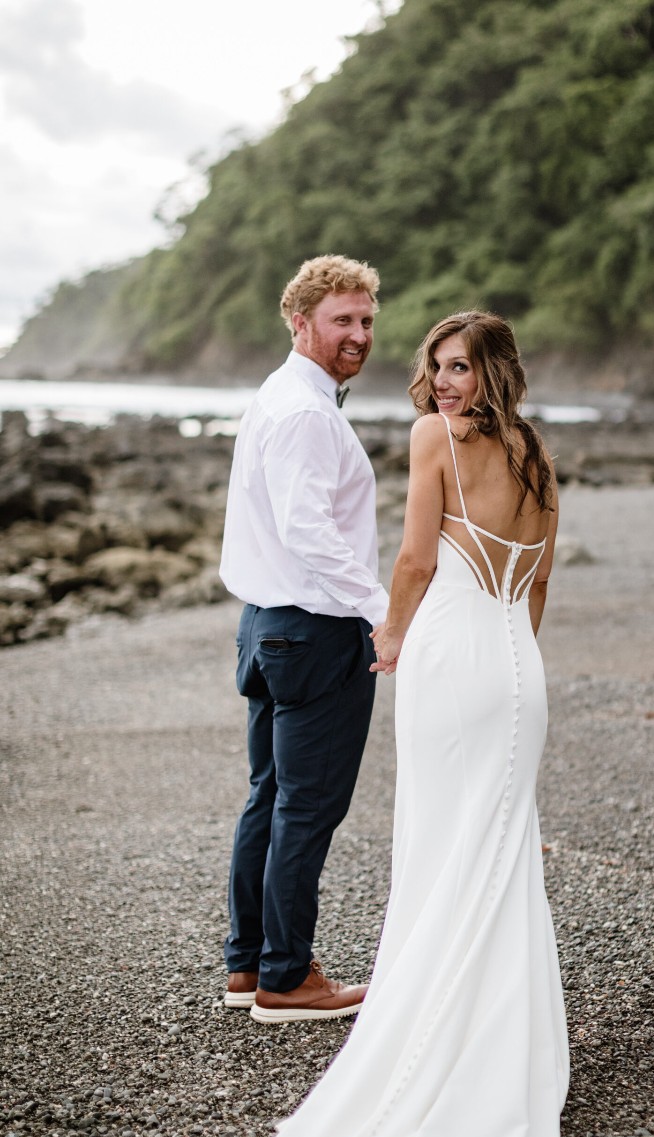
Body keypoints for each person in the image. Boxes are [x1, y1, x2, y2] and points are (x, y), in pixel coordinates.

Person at [219, 310, 569, 1137]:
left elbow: (414, 559)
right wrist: (512, 660)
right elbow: (538, 585)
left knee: (443, 837)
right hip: (517, 663)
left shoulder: (432, 439)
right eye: (438, 367)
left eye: (462, 367)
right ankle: (504, 1032)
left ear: (494, 372)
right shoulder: (536, 452)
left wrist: (388, 636)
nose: (445, 382)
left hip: (450, 658)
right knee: (497, 844)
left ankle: (437, 1028)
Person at [219, 254, 389, 1023]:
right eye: (342, 321)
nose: (358, 334)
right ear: (301, 323)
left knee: (272, 798)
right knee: (304, 808)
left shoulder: (283, 396)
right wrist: (380, 608)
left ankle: (250, 966)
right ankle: (288, 978)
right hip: (313, 632)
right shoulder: (305, 413)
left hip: (267, 627)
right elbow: (306, 530)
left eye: (365, 321)